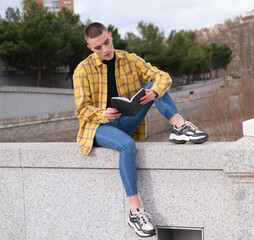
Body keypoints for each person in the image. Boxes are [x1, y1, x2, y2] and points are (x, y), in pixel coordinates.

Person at [72, 22, 208, 238]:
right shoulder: (83, 70)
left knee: (155, 85)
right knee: (127, 145)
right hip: (98, 127)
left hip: (125, 119)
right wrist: (103, 114)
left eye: (106, 43)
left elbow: (163, 77)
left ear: (111, 36)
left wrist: (154, 92)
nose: (105, 50)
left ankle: (179, 126)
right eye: (98, 48)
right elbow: (81, 110)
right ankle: (135, 212)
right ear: (91, 49)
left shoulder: (130, 59)